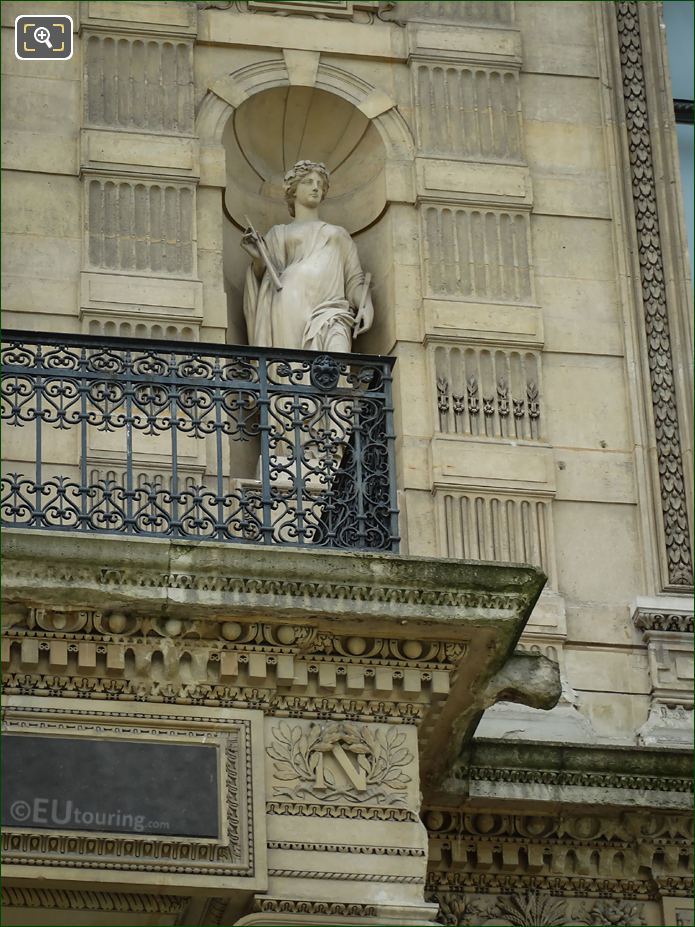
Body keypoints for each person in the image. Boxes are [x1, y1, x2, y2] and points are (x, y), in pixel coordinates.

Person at [241, 160, 374, 352]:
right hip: (288, 301)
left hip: (332, 308)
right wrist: (257, 257)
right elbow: (265, 274)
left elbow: (354, 281)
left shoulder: (339, 234)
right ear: (293, 190)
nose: (315, 188)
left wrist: (366, 304)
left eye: (320, 184)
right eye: (308, 182)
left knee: (337, 359)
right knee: (292, 368)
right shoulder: (279, 232)